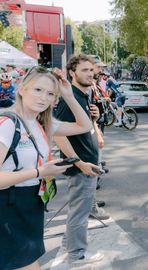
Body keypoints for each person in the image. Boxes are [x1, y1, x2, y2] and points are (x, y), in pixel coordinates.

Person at [0, 66, 92, 270]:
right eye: (38, 90)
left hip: (32, 203)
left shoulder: (42, 123)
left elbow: (84, 126)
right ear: (22, 89)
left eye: (50, 93)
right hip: (9, 207)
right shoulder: (7, 124)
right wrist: (40, 172)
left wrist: (68, 95)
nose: (44, 98)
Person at [54, 55, 106, 267]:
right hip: (81, 166)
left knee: (79, 210)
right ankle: (76, 255)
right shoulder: (70, 98)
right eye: (84, 70)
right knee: (79, 212)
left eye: (91, 70)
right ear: (72, 74)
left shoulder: (84, 95)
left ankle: (70, 243)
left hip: (88, 162)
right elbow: (58, 134)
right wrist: (78, 163)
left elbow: (83, 125)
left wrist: (95, 117)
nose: (90, 74)